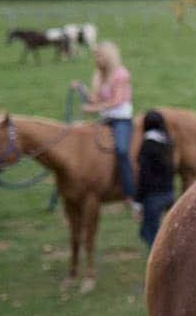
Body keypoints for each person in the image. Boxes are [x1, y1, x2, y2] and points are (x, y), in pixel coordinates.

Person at [71, 41, 134, 207]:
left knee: (121, 150)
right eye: (95, 56)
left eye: (99, 56)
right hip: (106, 119)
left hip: (121, 118)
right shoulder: (99, 76)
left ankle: (129, 192)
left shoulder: (121, 74)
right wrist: (82, 89)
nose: (96, 59)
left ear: (108, 57)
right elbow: (95, 98)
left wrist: (93, 109)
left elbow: (117, 101)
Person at [134, 109, 174, 250]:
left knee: (149, 235)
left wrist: (137, 202)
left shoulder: (147, 146)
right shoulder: (168, 142)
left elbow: (144, 177)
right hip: (169, 193)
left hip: (153, 197)